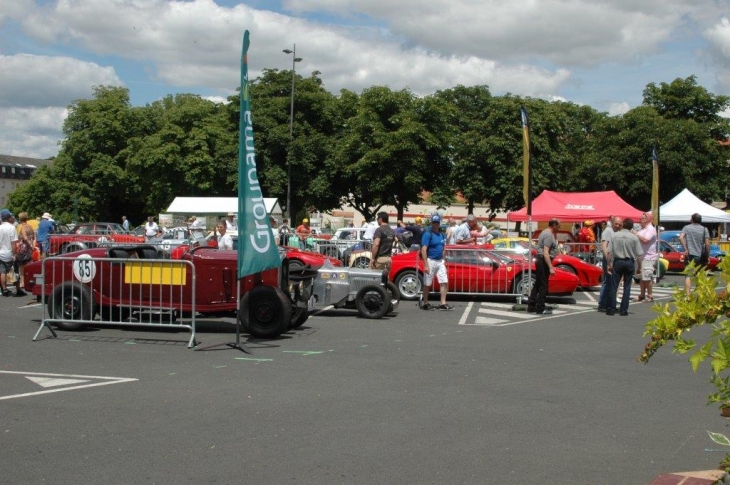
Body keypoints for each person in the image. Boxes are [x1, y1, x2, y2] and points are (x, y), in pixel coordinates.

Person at [606, 217, 643, 316]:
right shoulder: (634, 238)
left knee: (614, 285)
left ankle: (611, 308)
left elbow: (609, 252)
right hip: (629, 261)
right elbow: (639, 254)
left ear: (622, 225)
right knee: (627, 286)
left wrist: (609, 263)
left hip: (618, 261)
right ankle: (623, 310)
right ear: (631, 227)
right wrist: (639, 266)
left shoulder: (614, 236)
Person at [420, 214, 453, 311]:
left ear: (439, 223)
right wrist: (426, 265)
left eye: (437, 222)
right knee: (427, 283)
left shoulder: (442, 235)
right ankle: (425, 303)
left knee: (444, 282)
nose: (436, 224)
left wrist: (444, 260)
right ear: (431, 223)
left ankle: (443, 303)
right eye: (434, 222)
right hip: (431, 260)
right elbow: (423, 250)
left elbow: (443, 248)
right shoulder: (427, 234)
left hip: (440, 261)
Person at [527, 218, 559, 315]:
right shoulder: (548, 234)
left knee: (538, 283)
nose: (559, 227)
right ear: (554, 225)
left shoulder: (545, 232)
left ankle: (531, 305)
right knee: (543, 285)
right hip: (543, 260)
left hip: (540, 260)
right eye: (558, 225)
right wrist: (550, 267)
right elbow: (546, 252)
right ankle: (540, 308)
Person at [679, 212, 710, 297]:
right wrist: (707, 256)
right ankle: (699, 295)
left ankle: (688, 295)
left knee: (688, 275)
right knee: (699, 275)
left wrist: (685, 249)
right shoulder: (704, 229)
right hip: (699, 255)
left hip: (689, 254)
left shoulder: (686, 228)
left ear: (692, 220)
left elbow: (681, 237)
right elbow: (707, 244)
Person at [635, 212, 657, 302]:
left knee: (647, 277)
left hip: (649, 256)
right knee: (642, 277)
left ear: (648, 219)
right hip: (642, 256)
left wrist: (636, 234)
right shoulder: (643, 229)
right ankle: (642, 294)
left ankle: (650, 295)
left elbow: (645, 240)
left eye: (642, 218)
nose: (640, 220)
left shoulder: (650, 229)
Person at [597, 216, 616, 312]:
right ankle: (602, 303)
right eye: (613, 220)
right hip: (608, 259)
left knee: (609, 281)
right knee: (607, 281)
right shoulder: (608, 231)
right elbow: (604, 246)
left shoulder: (610, 230)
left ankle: (606, 302)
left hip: (609, 258)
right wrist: (608, 260)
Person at [14, 212, 34, 297]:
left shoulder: (22, 227)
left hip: (23, 249)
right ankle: (28, 281)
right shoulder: (30, 227)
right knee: (28, 265)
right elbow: (33, 237)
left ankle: (22, 282)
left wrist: (29, 244)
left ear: (20, 219)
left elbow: (25, 238)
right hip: (29, 249)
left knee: (21, 267)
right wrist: (32, 245)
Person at [369, 212, 395, 276]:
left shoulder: (379, 230)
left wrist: (372, 258)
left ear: (380, 219)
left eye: (377, 218)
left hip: (380, 259)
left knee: (374, 278)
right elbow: (394, 240)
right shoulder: (391, 230)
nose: (377, 220)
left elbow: (376, 244)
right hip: (388, 259)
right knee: (385, 280)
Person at [0, 209, 19, 297]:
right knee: (14, 271)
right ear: (8, 217)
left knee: (2, 272)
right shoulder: (12, 227)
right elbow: (13, 243)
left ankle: (4, 289)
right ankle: (18, 288)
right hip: (9, 252)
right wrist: (15, 254)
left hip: (1, 252)